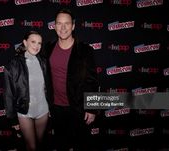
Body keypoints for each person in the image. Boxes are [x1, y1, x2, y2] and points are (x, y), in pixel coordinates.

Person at [43, 8, 99, 151]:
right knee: (61, 145)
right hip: (56, 109)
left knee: (82, 145)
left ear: (73, 26)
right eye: (59, 23)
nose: (63, 28)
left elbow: (92, 80)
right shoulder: (47, 48)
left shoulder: (85, 50)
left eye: (66, 24)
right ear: (54, 26)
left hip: (78, 109)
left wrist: (92, 109)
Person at [3, 31, 51, 151]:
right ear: (25, 42)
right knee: (31, 147)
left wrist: (51, 107)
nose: (37, 46)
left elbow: (48, 87)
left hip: (42, 111)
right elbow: (8, 94)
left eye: (39, 43)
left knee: (40, 145)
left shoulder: (44, 62)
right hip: (24, 112)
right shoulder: (13, 64)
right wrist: (12, 118)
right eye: (33, 42)